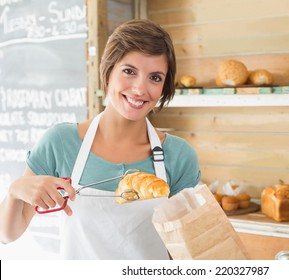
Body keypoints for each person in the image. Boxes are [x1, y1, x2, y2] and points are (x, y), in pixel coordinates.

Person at [0, 19, 201, 259]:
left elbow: (185, 254)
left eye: (155, 77)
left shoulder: (179, 157)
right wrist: (15, 191)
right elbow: (7, 234)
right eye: (129, 71)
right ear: (108, 72)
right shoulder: (61, 143)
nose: (140, 89)